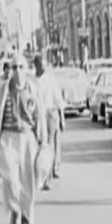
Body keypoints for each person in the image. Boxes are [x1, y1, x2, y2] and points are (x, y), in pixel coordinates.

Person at [0, 55, 40, 224]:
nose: (17, 71)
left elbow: (38, 114)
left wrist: (42, 139)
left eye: (20, 67)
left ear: (26, 68)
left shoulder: (32, 88)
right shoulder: (3, 89)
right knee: (10, 177)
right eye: (14, 67)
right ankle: (15, 209)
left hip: (27, 136)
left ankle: (26, 215)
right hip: (8, 136)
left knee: (29, 178)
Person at [31, 56, 66, 191]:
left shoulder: (51, 80)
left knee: (49, 147)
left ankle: (48, 178)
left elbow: (58, 99)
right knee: (37, 147)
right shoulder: (32, 81)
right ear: (35, 65)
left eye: (44, 64)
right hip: (36, 116)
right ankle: (39, 175)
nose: (42, 66)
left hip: (50, 114)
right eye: (40, 64)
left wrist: (61, 118)